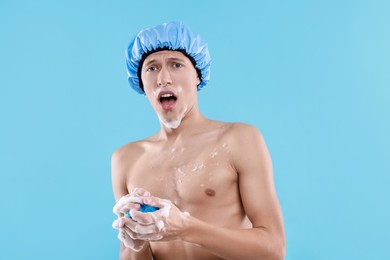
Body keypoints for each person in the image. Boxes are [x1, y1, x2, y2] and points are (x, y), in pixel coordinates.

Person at [111, 21, 285, 260]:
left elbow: (273, 249)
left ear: (197, 75)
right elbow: (132, 256)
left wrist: (185, 228)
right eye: (151, 68)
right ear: (141, 82)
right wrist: (136, 242)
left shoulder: (240, 140)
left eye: (176, 64)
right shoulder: (126, 159)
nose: (163, 78)